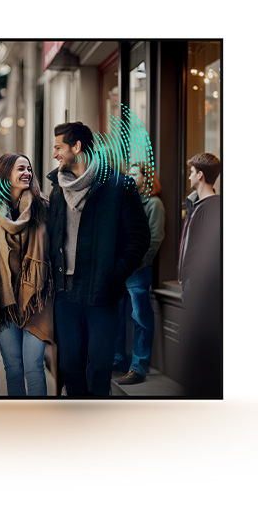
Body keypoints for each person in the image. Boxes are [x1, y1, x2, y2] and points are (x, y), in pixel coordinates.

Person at [46, 122, 150, 397]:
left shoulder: (118, 185)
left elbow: (139, 238)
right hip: (64, 294)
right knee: (70, 366)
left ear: (77, 148)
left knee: (101, 366)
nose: (54, 154)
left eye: (58, 148)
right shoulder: (57, 188)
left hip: (102, 293)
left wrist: (113, 275)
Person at [0, 153, 54, 397]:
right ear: (5, 173)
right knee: (14, 368)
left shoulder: (43, 208)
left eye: (29, 168)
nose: (27, 172)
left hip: (36, 300)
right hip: (1, 302)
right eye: (20, 168)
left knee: (34, 367)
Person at [113, 160, 166, 385]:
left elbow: (155, 239)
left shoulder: (153, 204)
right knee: (117, 316)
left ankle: (139, 367)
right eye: (130, 173)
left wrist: (134, 263)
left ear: (147, 178)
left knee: (141, 319)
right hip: (121, 269)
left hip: (139, 269)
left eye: (137, 173)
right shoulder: (126, 200)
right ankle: (118, 360)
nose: (132, 176)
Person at [178, 152, 222, 397]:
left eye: (191, 171)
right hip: (190, 284)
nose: (189, 176)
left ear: (200, 175)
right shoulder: (196, 204)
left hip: (198, 286)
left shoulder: (213, 208)